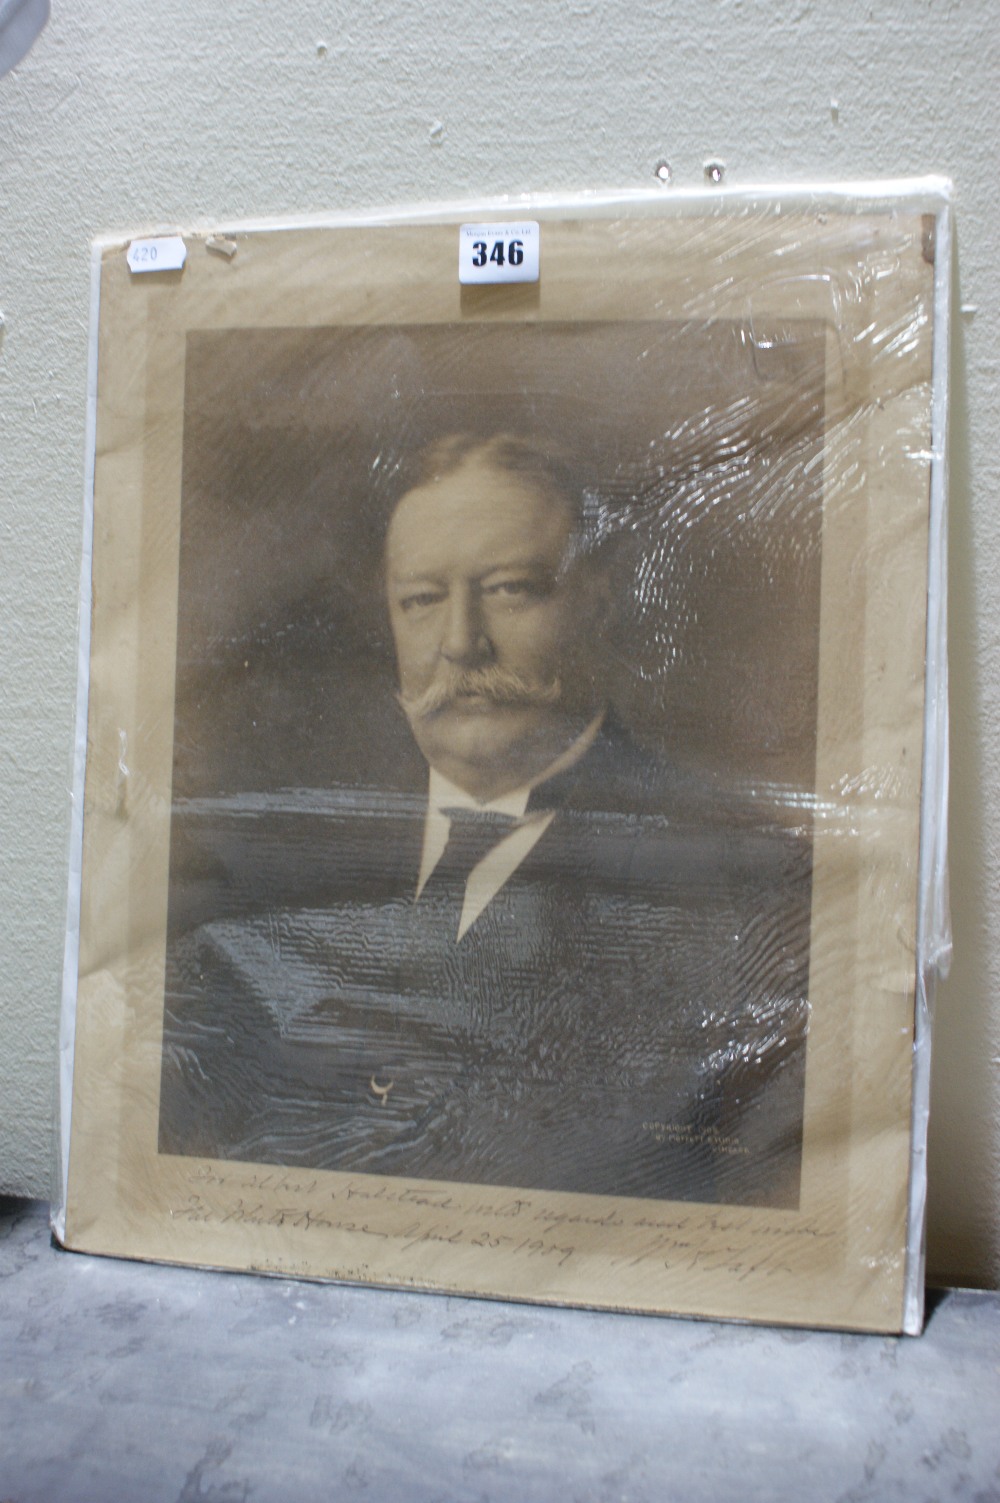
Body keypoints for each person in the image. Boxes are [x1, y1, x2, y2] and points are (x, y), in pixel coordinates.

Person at [160, 433, 811, 1207]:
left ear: (597, 600)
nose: (461, 644)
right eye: (422, 600)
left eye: (509, 588)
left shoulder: (751, 889)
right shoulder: (258, 858)